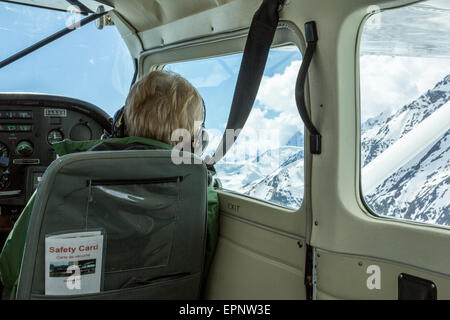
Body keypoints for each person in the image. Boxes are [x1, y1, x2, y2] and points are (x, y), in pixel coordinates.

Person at [0, 70, 219, 299]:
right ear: (194, 140)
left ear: (120, 123)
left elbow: (10, 268)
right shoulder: (203, 194)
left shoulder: (64, 178)